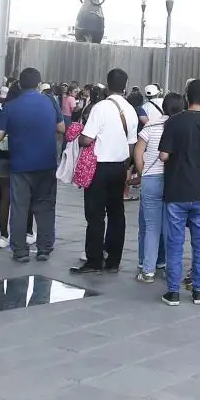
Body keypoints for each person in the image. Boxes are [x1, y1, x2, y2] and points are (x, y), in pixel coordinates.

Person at [159, 78, 200, 305]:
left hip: (176, 189)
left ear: (186, 96)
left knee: (175, 242)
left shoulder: (174, 122)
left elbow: (164, 155)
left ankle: (173, 292)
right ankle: (198, 290)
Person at [0, 67, 62, 262]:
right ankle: (44, 248)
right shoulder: (50, 102)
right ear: (39, 84)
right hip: (46, 163)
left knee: (20, 208)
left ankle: (20, 250)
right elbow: (61, 127)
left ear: (20, 84)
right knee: (46, 206)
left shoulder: (10, 106)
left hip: (20, 164)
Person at [72, 68, 138, 275]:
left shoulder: (100, 108)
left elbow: (87, 139)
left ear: (107, 85)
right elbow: (131, 144)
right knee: (117, 213)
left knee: (95, 214)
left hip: (98, 167)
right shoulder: (131, 110)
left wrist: (78, 138)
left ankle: (94, 260)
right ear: (125, 86)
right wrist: (126, 167)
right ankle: (113, 260)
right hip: (120, 167)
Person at [134, 92, 173, 281]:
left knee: (150, 226)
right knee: (169, 225)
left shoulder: (151, 125)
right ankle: (165, 264)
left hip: (151, 178)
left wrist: (143, 173)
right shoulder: (179, 126)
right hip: (172, 180)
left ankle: (148, 269)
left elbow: (138, 151)